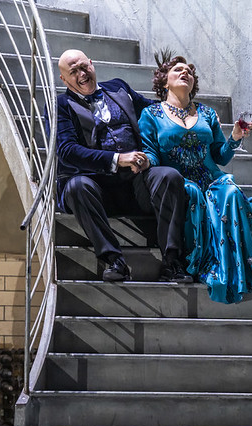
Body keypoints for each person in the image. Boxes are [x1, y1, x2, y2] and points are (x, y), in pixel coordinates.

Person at [138, 54, 252, 303]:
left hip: (211, 178)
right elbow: (152, 153)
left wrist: (235, 137)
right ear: (164, 82)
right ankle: (199, 262)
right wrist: (144, 161)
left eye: (189, 72)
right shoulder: (151, 114)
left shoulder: (207, 112)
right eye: (178, 70)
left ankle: (235, 266)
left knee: (232, 192)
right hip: (180, 181)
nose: (185, 73)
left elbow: (220, 156)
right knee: (192, 193)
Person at [53, 49, 191, 282]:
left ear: (92, 64)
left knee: (169, 176)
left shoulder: (118, 87)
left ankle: (172, 261)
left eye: (83, 67)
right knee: (76, 187)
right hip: (95, 189)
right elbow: (66, 151)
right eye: (73, 71)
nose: (82, 74)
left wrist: (191, 113)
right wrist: (117, 159)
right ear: (64, 79)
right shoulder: (61, 104)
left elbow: (154, 112)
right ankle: (113, 259)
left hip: (136, 183)